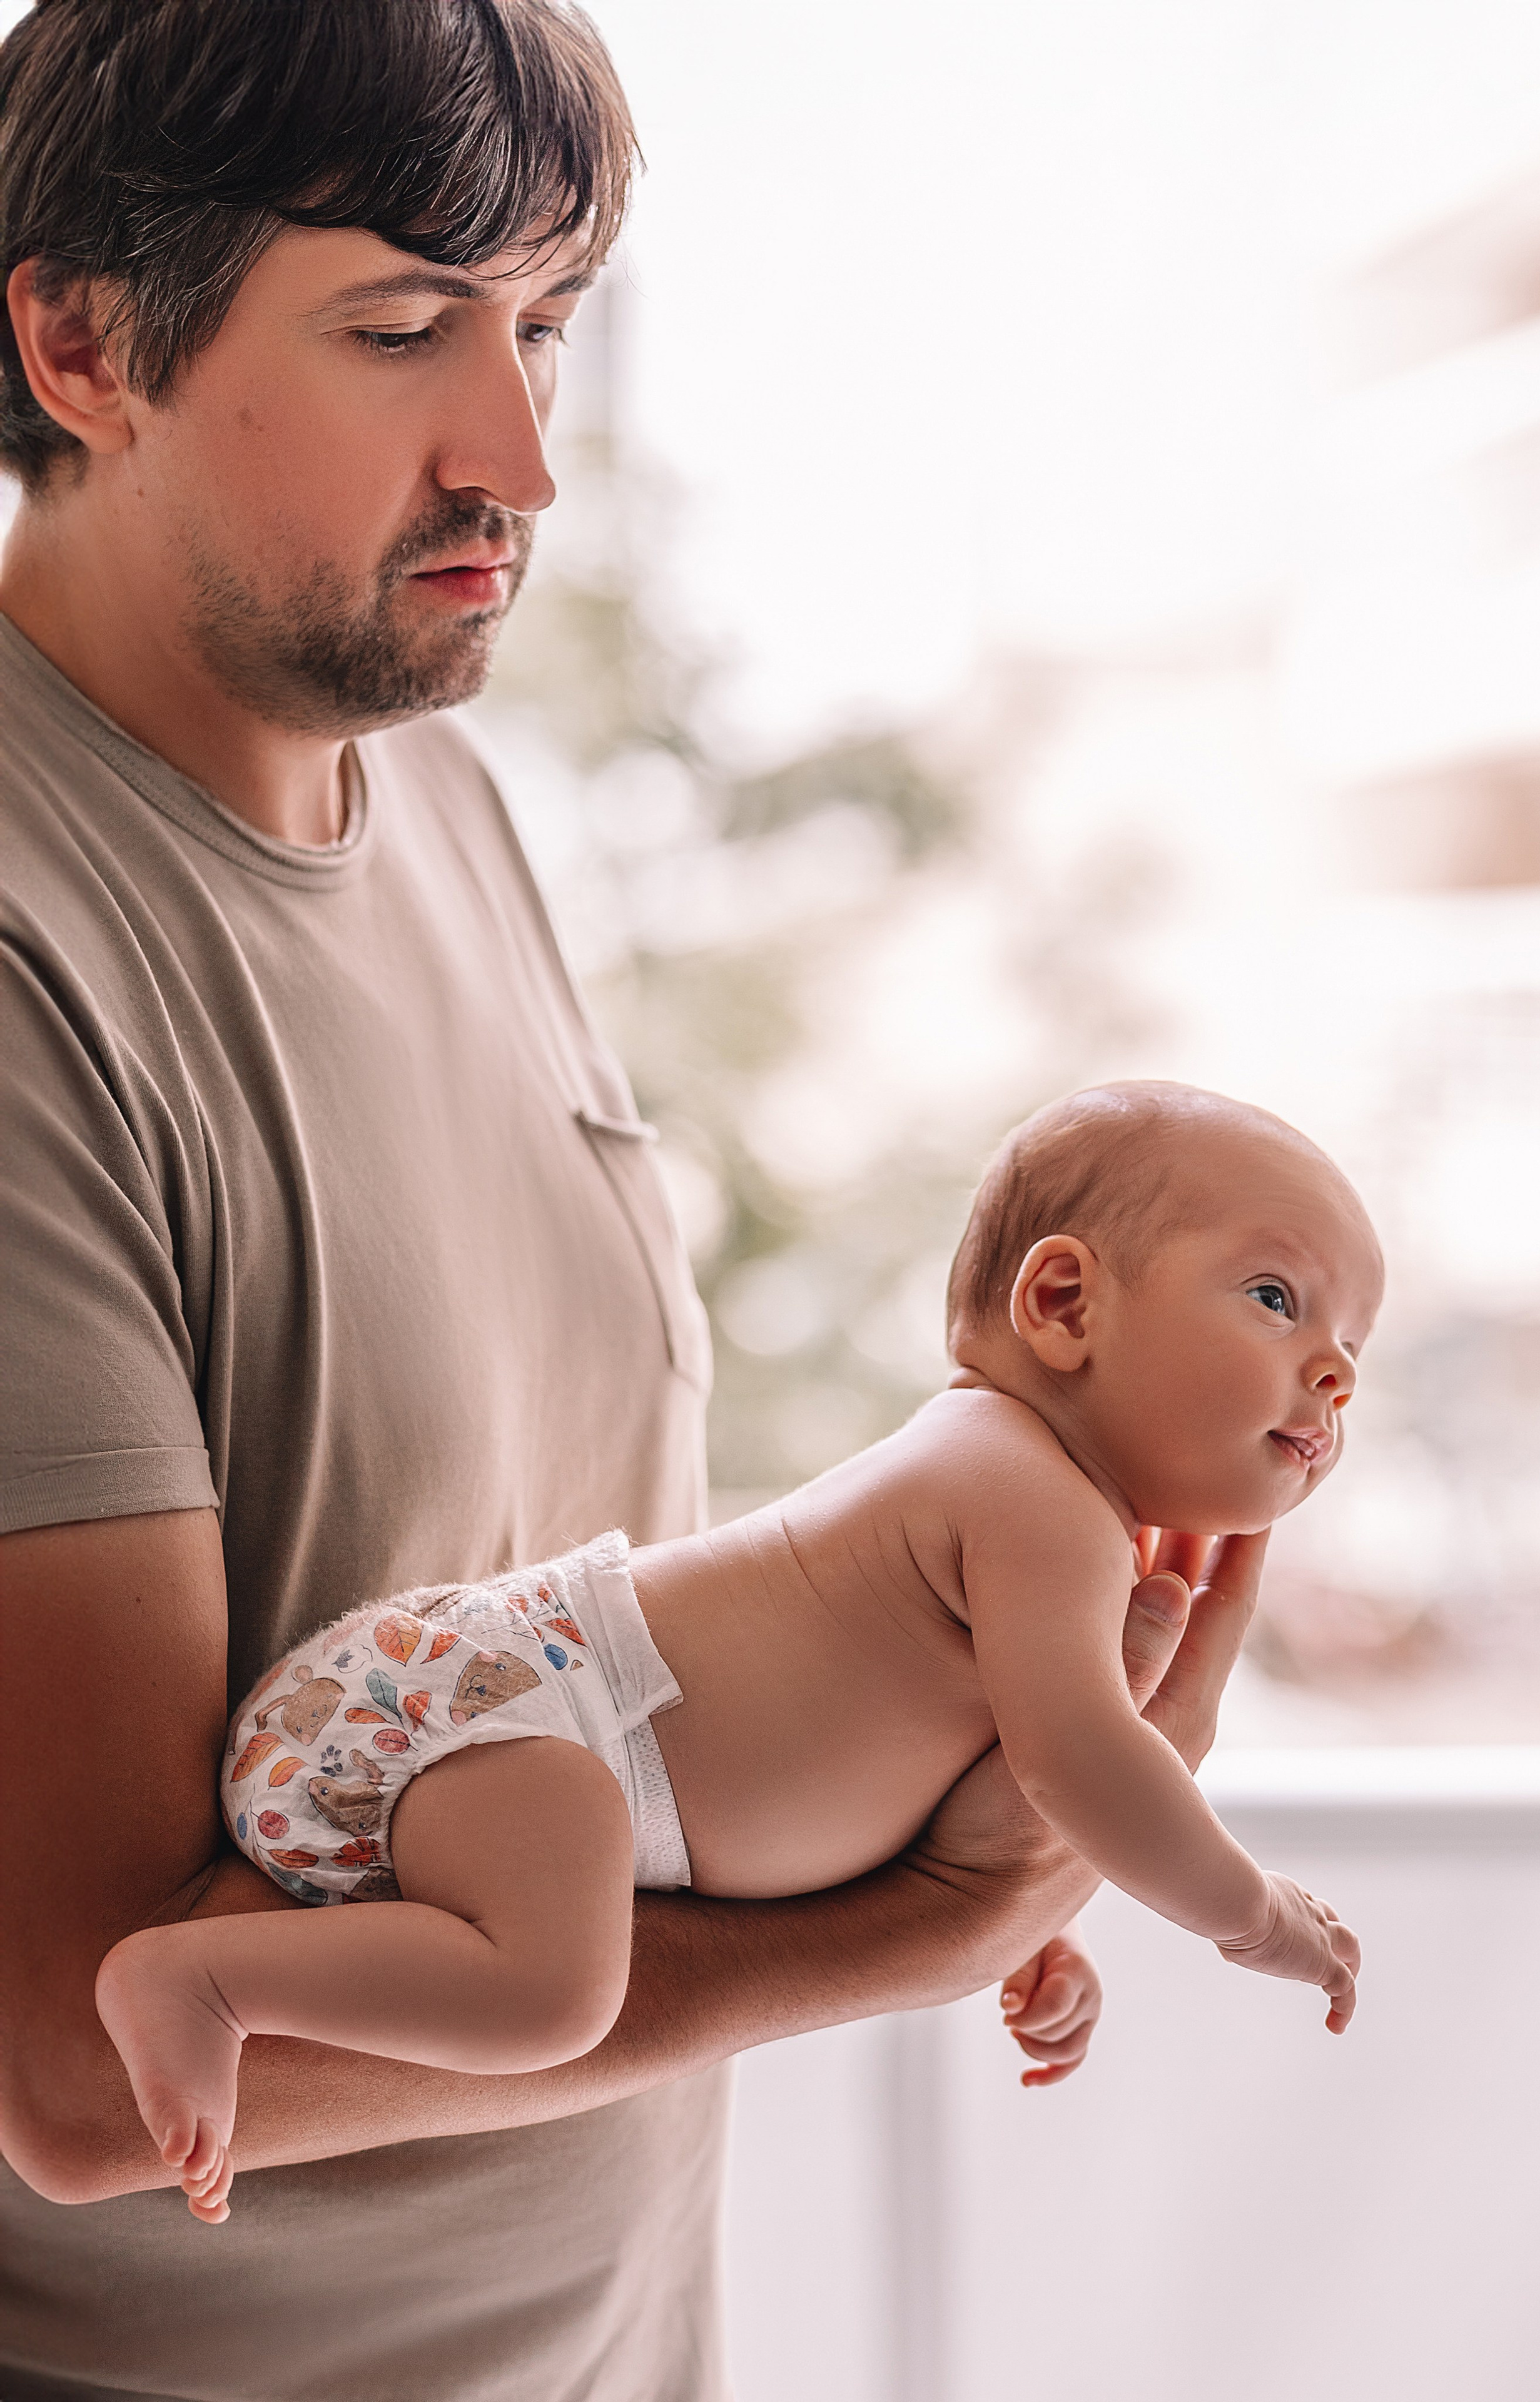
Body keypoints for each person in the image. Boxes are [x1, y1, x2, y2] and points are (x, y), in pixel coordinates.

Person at [0, 4, 1264, 2396]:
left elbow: (531, 1601)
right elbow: (79, 2076)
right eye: (399, 328)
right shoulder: (28, 966)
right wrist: (910, 1926)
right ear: (80, 341)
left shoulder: (435, 794)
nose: (521, 457)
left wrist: (966, 1640)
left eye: (547, 324)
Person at [98, 1080, 1375, 2224]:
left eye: (1351, 1351)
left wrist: (1036, 1930)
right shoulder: (1030, 1494)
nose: (1329, 1372)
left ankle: (234, 1974)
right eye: (1275, 1299)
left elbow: (985, 1783)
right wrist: (1251, 1917)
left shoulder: (1038, 1511)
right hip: (507, 1718)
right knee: (553, 1998)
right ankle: (205, 1978)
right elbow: (1076, 1763)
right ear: (1060, 1303)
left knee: (551, 1978)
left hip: (505, 1733)